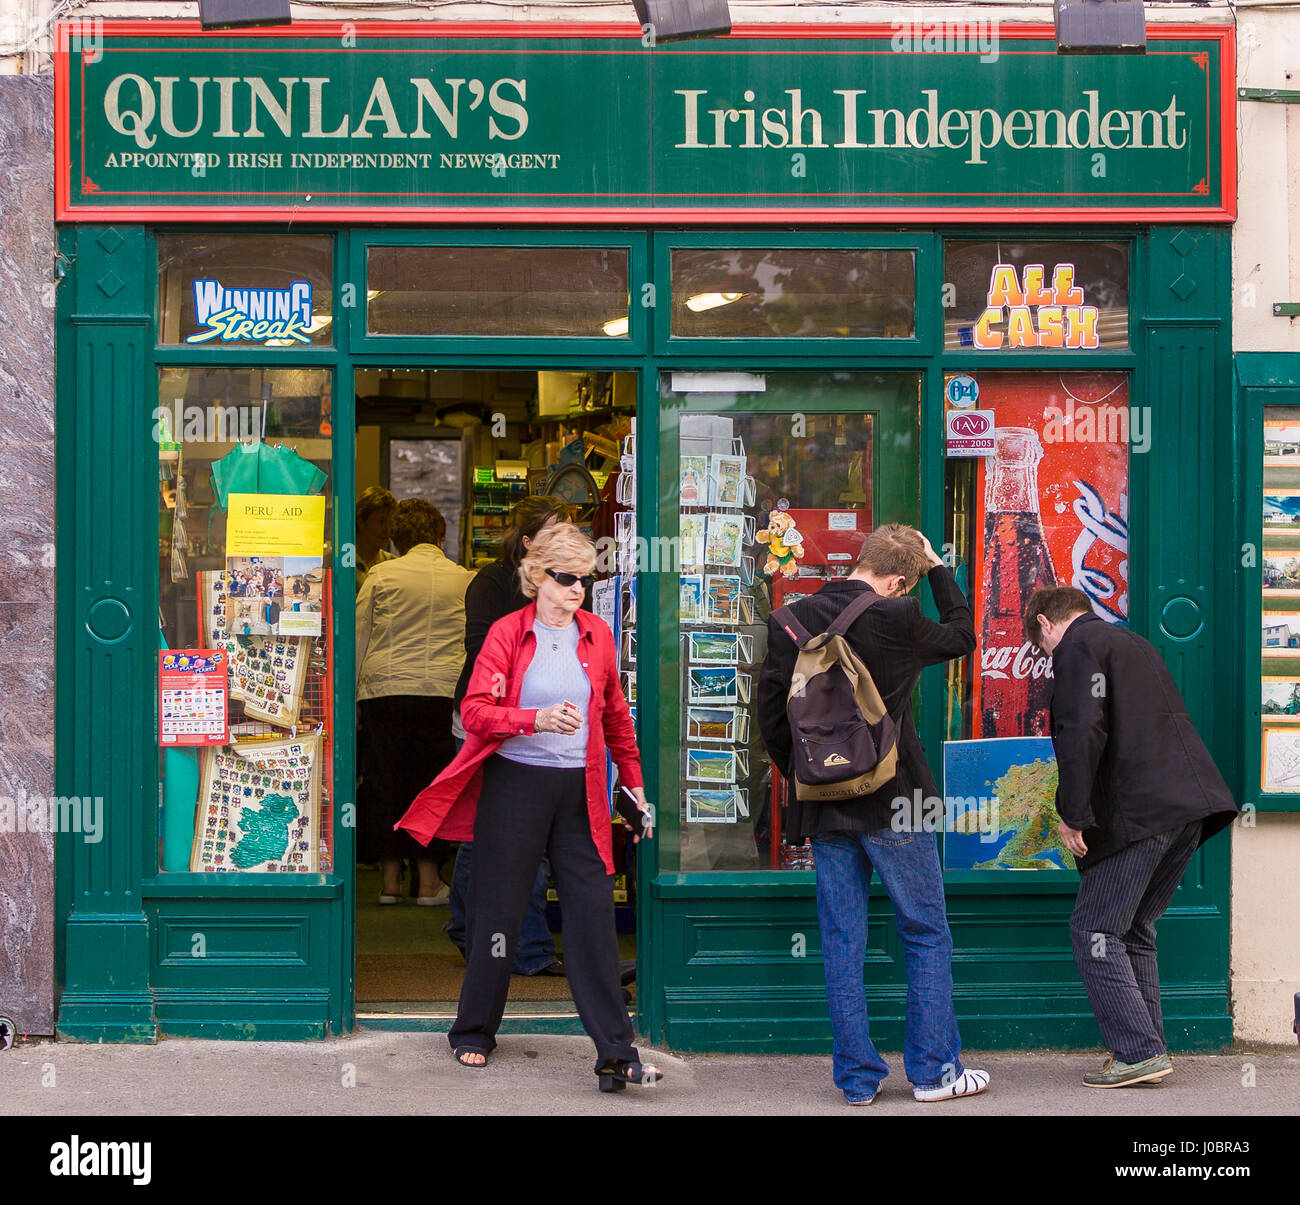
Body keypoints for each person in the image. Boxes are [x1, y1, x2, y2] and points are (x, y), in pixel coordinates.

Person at [397, 523, 660, 1091]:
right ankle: (473, 1030)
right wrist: (531, 720)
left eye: (586, 579)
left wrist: (635, 786)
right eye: (567, 579)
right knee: (499, 912)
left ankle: (616, 1050)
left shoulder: (597, 634)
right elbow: (474, 713)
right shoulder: (506, 634)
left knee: (591, 913)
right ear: (537, 575)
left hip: (579, 789)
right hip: (515, 784)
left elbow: (615, 715)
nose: (578, 591)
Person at [757, 523, 989, 1106]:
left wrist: (812, 774)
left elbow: (770, 718)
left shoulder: (792, 619)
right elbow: (964, 635)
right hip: (898, 801)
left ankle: (857, 1081)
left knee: (841, 940)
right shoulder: (897, 615)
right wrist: (939, 569)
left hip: (824, 810)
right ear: (897, 581)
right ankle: (936, 1072)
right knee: (926, 931)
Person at [1024, 585, 1238, 1088]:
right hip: (1187, 807)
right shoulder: (1133, 643)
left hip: (1140, 812)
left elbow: (1082, 731)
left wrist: (1073, 814)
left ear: (1045, 623)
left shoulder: (1077, 647)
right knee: (1134, 931)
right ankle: (1148, 1050)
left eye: (1039, 644)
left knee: (1095, 932)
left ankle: (1138, 1051)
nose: (1044, 654)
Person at [446, 494, 571, 976]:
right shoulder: (491, 582)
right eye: (556, 531)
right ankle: (525, 949)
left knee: (496, 831)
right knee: (500, 831)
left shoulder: (562, 584)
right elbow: (480, 652)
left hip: (540, 721)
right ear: (527, 542)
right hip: (488, 720)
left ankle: (470, 929)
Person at [356, 498, 474, 905]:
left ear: (397, 537)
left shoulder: (380, 575)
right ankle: (428, 882)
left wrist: (353, 694)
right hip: (442, 693)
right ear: (440, 535)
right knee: (432, 785)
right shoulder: (463, 579)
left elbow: (360, 634)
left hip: (384, 690)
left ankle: (389, 883)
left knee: (384, 782)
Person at [356, 485, 397, 587]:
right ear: (361, 522)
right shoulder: (343, 562)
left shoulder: (393, 564)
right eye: (381, 522)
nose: (387, 529)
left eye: (390, 522)